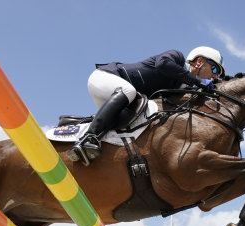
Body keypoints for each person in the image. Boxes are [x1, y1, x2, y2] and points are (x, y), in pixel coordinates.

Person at [67, 46, 226, 166]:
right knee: (129, 91)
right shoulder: (176, 57)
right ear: (200, 61)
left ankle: (87, 137)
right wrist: (198, 81)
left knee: (130, 127)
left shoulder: (182, 86)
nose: (213, 76)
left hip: (120, 100)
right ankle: (89, 137)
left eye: (216, 75)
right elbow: (162, 65)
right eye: (214, 69)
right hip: (106, 77)